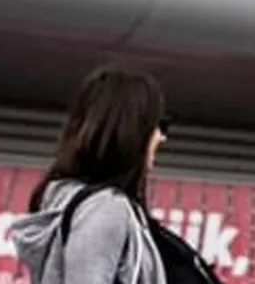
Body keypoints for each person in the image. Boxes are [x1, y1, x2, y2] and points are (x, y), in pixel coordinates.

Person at [11, 66, 171, 284]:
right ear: (131, 130)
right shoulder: (106, 208)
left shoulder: (64, 200)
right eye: (158, 125)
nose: (162, 137)